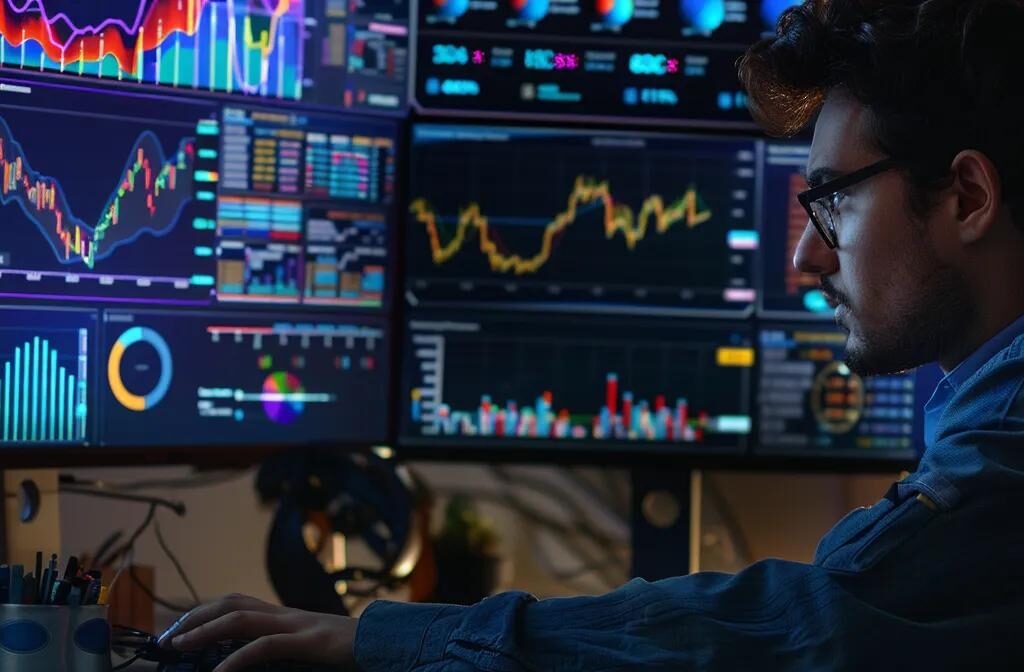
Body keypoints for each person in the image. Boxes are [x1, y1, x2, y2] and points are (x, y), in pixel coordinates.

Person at [160, 0, 1024, 668]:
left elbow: (814, 628)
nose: (803, 254)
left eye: (833, 200)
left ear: (969, 198)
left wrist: (382, 644)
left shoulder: (1001, 457)